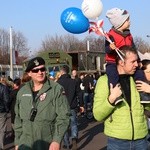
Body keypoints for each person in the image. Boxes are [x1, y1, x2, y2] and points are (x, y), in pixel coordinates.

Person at [93, 46, 149, 150]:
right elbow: (97, 115)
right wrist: (111, 100)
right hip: (117, 141)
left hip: (141, 139)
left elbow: (148, 109)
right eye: (133, 62)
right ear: (121, 62)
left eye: (137, 61)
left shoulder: (138, 79)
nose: (137, 65)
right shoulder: (104, 81)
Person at [14, 57, 70, 150]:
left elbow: (64, 116)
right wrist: (17, 142)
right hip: (25, 144)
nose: (40, 72)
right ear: (29, 73)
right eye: (36, 70)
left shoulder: (56, 89)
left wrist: (56, 140)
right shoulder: (22, 91)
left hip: (46, 143)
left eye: (42, 69)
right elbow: (18, 119)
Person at [105, 7, 148, 103]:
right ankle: (116, 95)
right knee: (113, 76)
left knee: (139, 73)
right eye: (127, 20)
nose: (130, 22)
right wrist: (111, 48)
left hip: (129, 61)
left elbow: (134, 49)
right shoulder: (110, 35)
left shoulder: (129, 35)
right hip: (113, 61)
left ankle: (142, 93)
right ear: (120, 23)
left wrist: (139, 61)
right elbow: (107, 49)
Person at [57, 65, 84, 150]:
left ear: (61, 72)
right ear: (68, 71)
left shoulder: (57, 83)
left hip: (62, 107)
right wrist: (81, 105)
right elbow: (79, 93)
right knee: (73, 124)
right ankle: (74, 138)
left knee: (64, 126)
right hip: (72, 105)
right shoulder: (74, 82)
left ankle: (66, 143)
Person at [0, 79, 11, 149]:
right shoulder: (4, 87)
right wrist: (7, 109)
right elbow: (6, 100)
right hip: (2, 111)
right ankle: (0, 146)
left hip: (2, 110)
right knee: (2, 129)